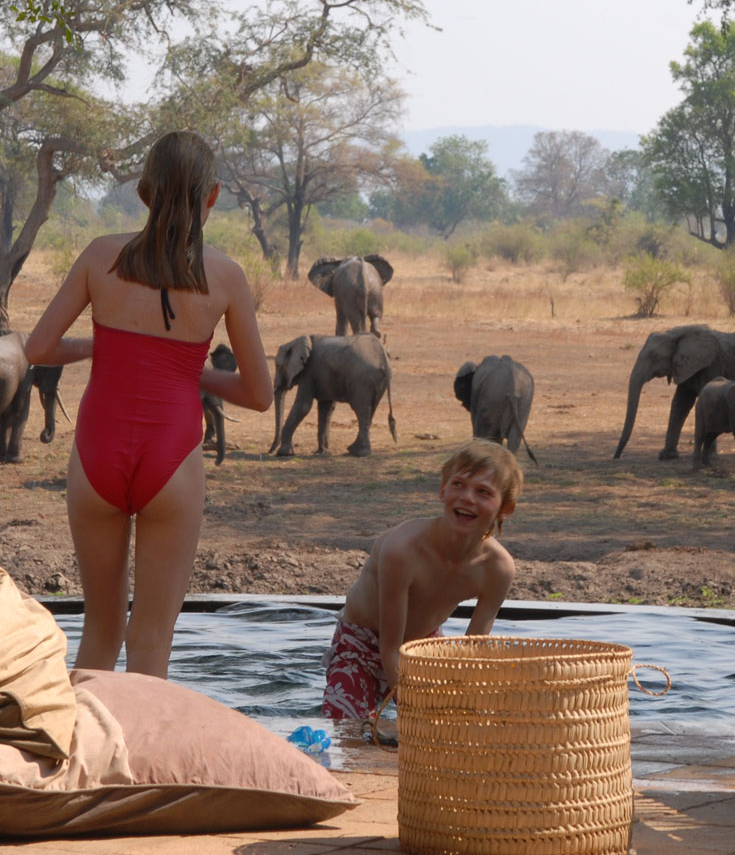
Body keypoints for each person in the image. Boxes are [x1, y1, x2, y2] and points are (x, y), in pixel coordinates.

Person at [25, 130, 272, 678]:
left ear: (142, 193)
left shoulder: (100, 255)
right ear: (212, 196)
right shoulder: (226, 275)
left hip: (95, 456)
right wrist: (184, 369)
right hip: (173, 461)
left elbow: (38, 347)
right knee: (153, 639)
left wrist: (101, 347)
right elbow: (259, 396)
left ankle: (81, 756)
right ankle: (143, 764)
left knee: (99, 629)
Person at [322, 438, 523, 720]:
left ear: (506, 509)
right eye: (458, 484)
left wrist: (461, 707)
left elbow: (472, 651)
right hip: (361, 644)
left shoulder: (497, 569)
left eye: (483, 492)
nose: (467, 497)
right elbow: (389, 648)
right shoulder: (402, 549)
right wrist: (416, 712)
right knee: (346, 736)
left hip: (421, 648)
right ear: (442, 490)